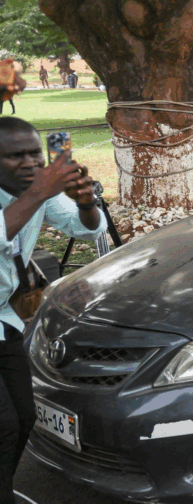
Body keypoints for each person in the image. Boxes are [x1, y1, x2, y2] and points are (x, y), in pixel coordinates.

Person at [0, 117, 107, 504]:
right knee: (4, 426)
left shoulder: (35, 192)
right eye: (16, 156)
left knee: (24, 417)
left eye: (35, 153)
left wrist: (86, 202)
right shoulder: (35, 192)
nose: (30, 163)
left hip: (5, 321)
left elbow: (88, 229)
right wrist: (39, 193)